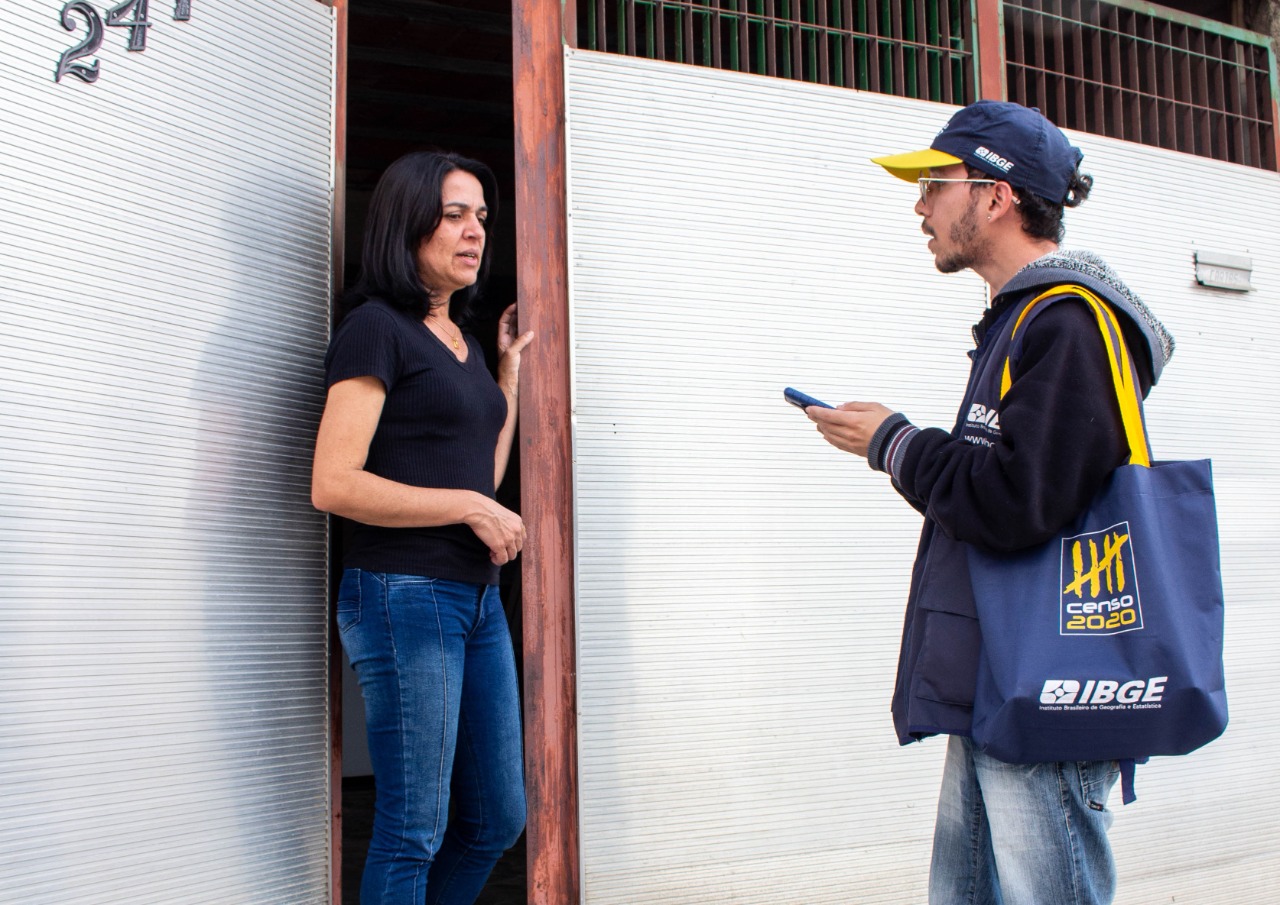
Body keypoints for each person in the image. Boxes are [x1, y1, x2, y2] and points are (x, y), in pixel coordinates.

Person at [803, 101, 1175, 905]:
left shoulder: (1070, 323)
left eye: (935, 184)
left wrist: (894, 443)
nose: (920, 206)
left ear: (996, 194)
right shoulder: (1021, 321)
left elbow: (1014, 502)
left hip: (1047, 685)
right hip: (1003, 681)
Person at [311, 151, 534, 905]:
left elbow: (480, 479)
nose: (475, 232)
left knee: (498, 818)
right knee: (413, 828)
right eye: (454, 214)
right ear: (407, 223)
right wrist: (468, 507)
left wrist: (504, 380)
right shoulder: (375, 330)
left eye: (481, 217)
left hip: (473, 599)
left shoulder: (466, 347)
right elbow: (333, 482)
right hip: (403, 592)